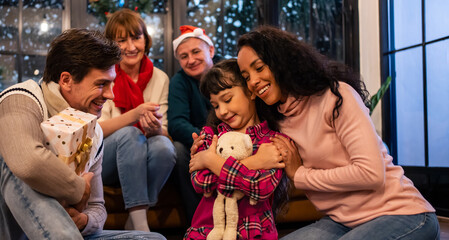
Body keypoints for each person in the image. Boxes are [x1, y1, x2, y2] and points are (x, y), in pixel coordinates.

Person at [0, 29, 165, 240]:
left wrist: (84, 219)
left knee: (153, 238)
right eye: (101, 84)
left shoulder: (93, 129)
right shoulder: (21, 99)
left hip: (48, 231)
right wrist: (80, 190)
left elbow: (97, 207)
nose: (111, 94)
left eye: (112, 84)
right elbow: (27, 164)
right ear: (66, 80)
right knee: (15, 154)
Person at [234, 25, 440, 239]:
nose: (253, 82)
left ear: (281, 61)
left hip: (404, 213)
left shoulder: (336, 96)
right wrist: (208, 153)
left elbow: (371, 174)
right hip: (343, 221)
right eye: (246, 76)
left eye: (259, 68)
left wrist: (300, 175)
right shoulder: (276, 119)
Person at [185, 59, 289, 240]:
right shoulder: (210, 136)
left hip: (253, 232)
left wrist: (211, 161)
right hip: (207, 231)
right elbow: (200, 182)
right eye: (216, 105)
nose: (222, 111)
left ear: (251, 92)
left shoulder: (273, 141)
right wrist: (254, 162)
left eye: (227, 99)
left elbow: (260, 187)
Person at [100, 9, 176, 232]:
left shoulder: (160, 77)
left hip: (145, 152)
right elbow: (97, 130)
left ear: (146, 40)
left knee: (164, 147)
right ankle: (142, 229)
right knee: (130, 134)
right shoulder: (105, 76)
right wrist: (134, 116)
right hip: (108, 158)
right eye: (121, 40)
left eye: (136, 38)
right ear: (111, 45)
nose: (131, 47)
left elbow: (166, 132)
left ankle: (134, 219)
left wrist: (155, 129)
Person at [168, 25, 221, 224]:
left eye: (196, 51)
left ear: (211, 51)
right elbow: (176, 123)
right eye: (183, 56)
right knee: (179, 150)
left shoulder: (228, 71)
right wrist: (206, 141)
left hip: (234, 136)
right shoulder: (179, 82)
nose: (190, 60)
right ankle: (199, 223)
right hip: (199, 139)